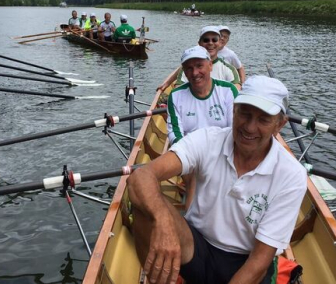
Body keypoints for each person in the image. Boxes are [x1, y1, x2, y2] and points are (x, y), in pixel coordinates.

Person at [127, 75, 307, 284]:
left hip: (245, 260)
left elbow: (259, 261)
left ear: (280, 125)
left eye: (263, 120)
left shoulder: (291, 175)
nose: (249, 127)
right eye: (245, 114)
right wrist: (162, 220)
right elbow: (141, 176)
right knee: (143, 206)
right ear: (233, 110)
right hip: (198, 246)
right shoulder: (207, 139)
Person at [167, 45, 238, 207]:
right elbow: (174, 134)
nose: (194, 73)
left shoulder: (228, 91)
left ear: (210, 66)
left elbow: (235, 130)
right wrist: (194, 159)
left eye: (199, 66)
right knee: (194, 175)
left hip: (223, 154)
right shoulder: (176, 96)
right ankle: (192, 219)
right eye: (189, 68)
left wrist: (215, 159)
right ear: (184, 72)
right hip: (190, 155)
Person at [157, 26, 241, 91]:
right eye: (206, 40)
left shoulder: (230, 70)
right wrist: (166, 83)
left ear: (219, 43)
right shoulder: (188, 69)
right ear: (199, 44)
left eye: (214, 40)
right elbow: (178, 92)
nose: (210, 43)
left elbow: (236, 95)